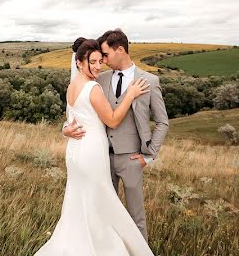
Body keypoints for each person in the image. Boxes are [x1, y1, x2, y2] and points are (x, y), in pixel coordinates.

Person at [0, 39, 160, 256]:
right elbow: (113, 121)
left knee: (84, 203)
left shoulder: (72, 87)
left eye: (99, 61)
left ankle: (90, 242)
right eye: (91, 62)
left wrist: (64, 130)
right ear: (79, 63)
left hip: (76, 153)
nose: (97, 66)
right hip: (91, 154)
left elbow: (71, 120)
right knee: (99, 202)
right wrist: (130, 94)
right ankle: (100, 254)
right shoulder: (93, 88)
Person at [63, 29, 168, 241]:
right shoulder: (97, 79)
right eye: (99, 58)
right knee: (103, 213)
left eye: (105, 56)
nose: (102, 61)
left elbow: (162, 122)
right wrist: (65, 129)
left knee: (135, 216)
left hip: (131, 159)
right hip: (99, 158)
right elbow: (79, 111)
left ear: (120, 50)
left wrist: (149, 155)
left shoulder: (149, 81)